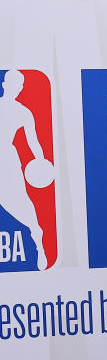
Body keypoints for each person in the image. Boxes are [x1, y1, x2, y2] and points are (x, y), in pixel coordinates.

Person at [0, 70, 48, 270]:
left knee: (23, 204)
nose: (16, 89)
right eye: (12, 84)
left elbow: (33, 142)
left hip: (8, 160)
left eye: (19, 86)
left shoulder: (23, 112)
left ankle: (39, 243)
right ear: (5, 85)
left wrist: (41, 162)